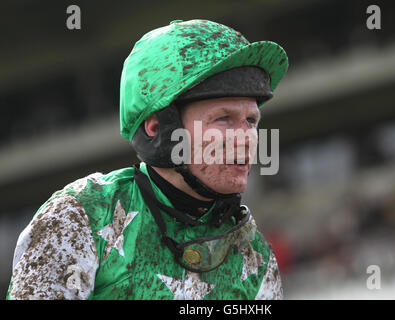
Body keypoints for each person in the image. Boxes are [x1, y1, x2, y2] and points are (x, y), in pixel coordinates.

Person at [7, 19, 289, 300]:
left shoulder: (256, 256)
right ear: (157, 127)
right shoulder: (81, 216)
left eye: (251, 121)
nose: (246, 138)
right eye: (223, 119)